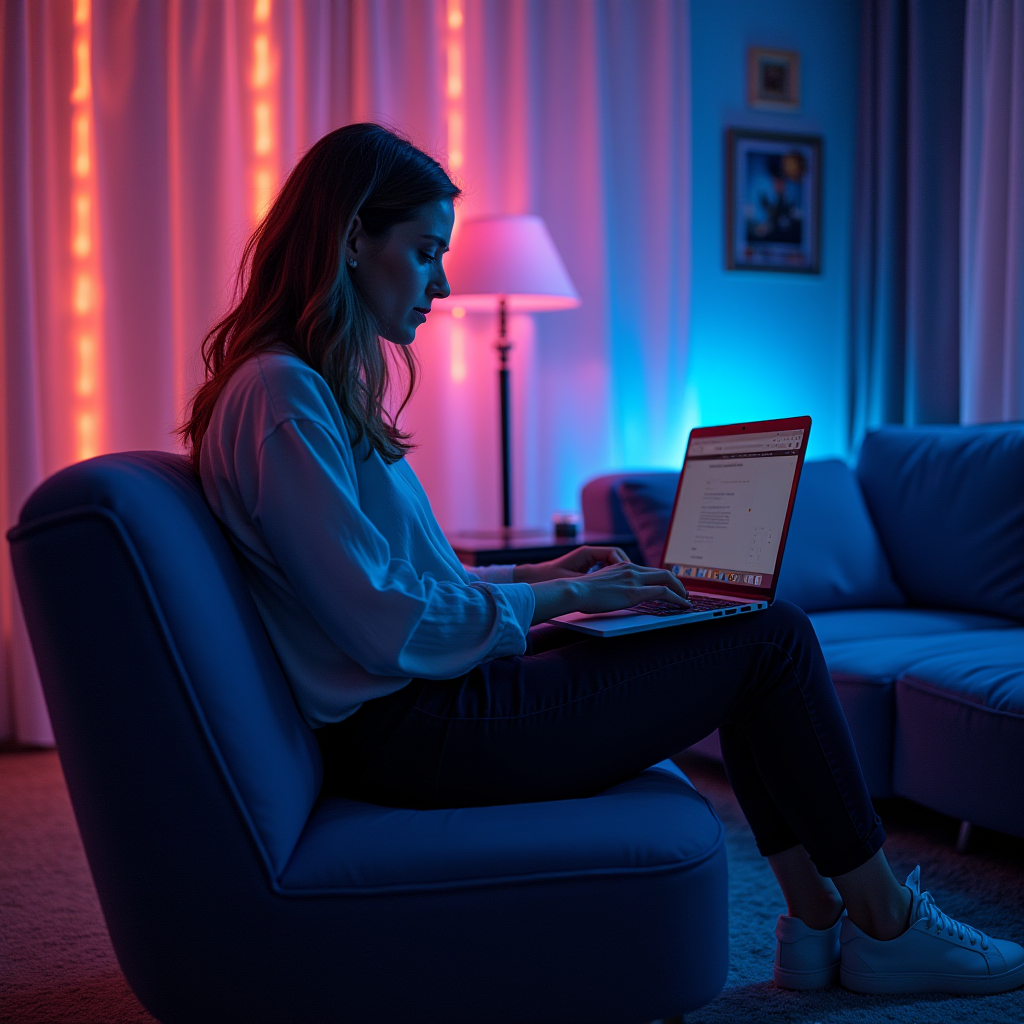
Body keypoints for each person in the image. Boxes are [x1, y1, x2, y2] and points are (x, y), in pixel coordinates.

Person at [182, 123, 1024, 997]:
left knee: (729, 627)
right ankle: (884, 923)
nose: (442, 282)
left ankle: (817, 922)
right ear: (353, 235)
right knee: (773, 639)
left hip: (422, 707)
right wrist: (573, 595)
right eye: (426, 250)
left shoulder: (301, 388)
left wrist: (544, 580)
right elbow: (385, 622)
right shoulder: (283, 397)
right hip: (419, 732)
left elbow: (400, 585)